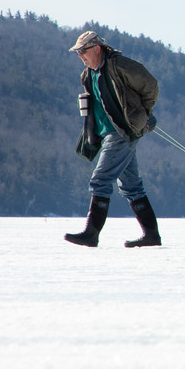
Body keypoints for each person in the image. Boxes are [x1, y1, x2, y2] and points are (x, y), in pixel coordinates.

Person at [65, 31, 163, 247]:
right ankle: (152, 235)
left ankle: (91, 234)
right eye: (78, 53)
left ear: (97, 49)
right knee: (131, 186)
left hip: (122, 132)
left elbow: (151, 85)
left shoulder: (119, 65)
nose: (80, 56)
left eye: (83, 51)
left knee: (100, 180)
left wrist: (144, 113)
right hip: (108, 133)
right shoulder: (87, 75)